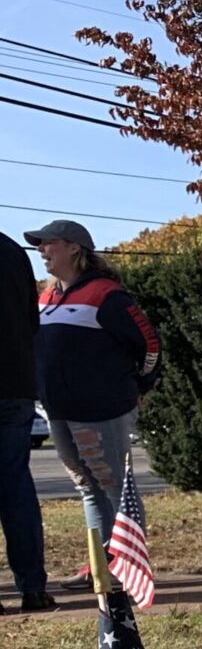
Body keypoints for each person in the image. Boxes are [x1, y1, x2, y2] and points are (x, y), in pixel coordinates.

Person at [25, 220, 161, 582]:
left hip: (103, 411)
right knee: (87, 489)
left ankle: (130, 570)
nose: (42, 251)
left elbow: (149, 345)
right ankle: (101, 567)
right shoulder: (45, 297)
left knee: (116, 488)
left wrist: (139, 388)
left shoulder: (107, 295)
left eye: (48, 244)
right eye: (39, 246)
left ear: (74, 248)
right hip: (58, 412)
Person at [0, 230, 52, 612]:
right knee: (15, 486)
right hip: (15, 383)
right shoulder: (13, 252)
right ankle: (32, 588)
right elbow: (32, 319)